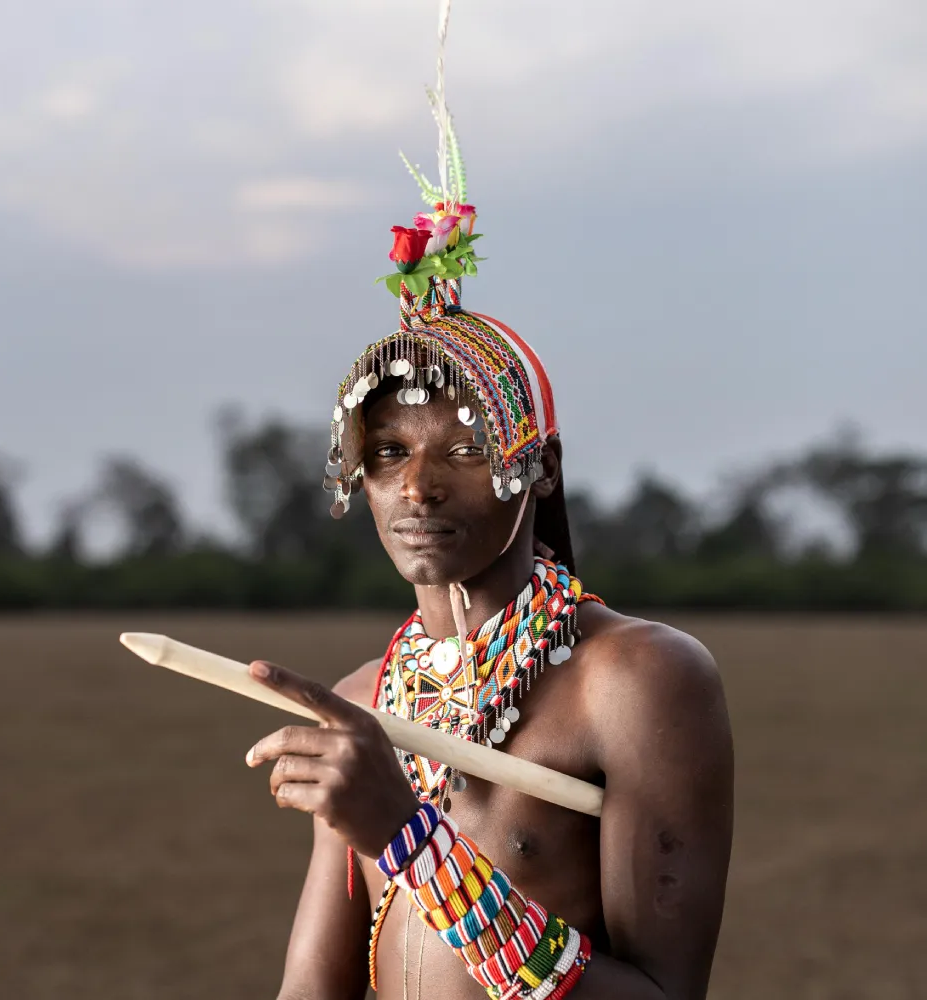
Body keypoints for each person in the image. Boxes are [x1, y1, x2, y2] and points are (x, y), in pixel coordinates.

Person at [244, 10, 733, 996]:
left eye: (463, 451)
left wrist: (412, 838)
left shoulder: (635, 682)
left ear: (538, 468)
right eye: (386, 453)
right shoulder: (368, 698)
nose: (417, 486)